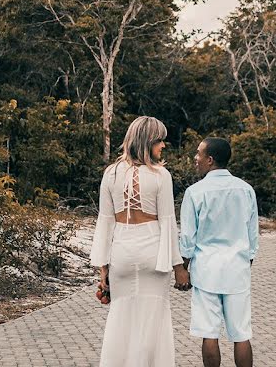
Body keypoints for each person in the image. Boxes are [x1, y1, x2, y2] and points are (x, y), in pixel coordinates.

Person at [89, 116, 190, 366]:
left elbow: (105, 221)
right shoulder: (161, 175)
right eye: (159, 141)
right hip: (153, 253)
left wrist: (103, 267)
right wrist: (179, 267)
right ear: (147, 142)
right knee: (153, 321)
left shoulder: (110, 173)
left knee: (120, 318)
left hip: (121, 252)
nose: (163, 146)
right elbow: (168, 222)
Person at [179, 137, 259, 367]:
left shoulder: (195, 192)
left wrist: (184, 267)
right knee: (241, 334)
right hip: (237, 269)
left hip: (207, 270)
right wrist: (246, 260)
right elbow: (252, 234)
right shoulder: (246, 190)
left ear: (210, 160)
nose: (195, 158)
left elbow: (188, 238)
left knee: (209, 334)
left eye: (199, 154)